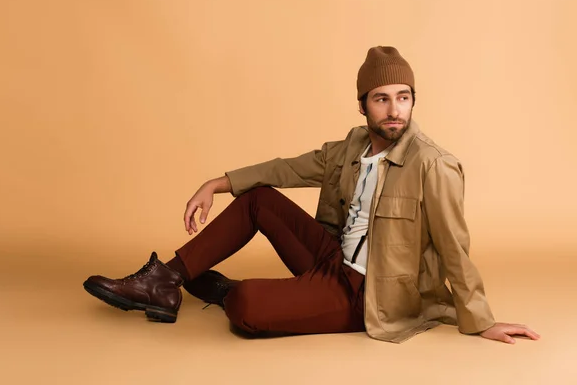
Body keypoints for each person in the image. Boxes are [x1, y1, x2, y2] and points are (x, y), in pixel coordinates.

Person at [83, 46, 540, 344]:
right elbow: (286, 168)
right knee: (258, 198)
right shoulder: (351, 147)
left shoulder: (433, 165)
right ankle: (164, 283)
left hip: (371, 293)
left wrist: (481, 319)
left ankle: (228, 292)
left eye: (403, 97)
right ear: (362, 104)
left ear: (413, 100)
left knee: (245, 307)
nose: (394, 109)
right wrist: (215, 183)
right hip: (331, 260)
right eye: (381, 98)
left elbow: (454, 247)